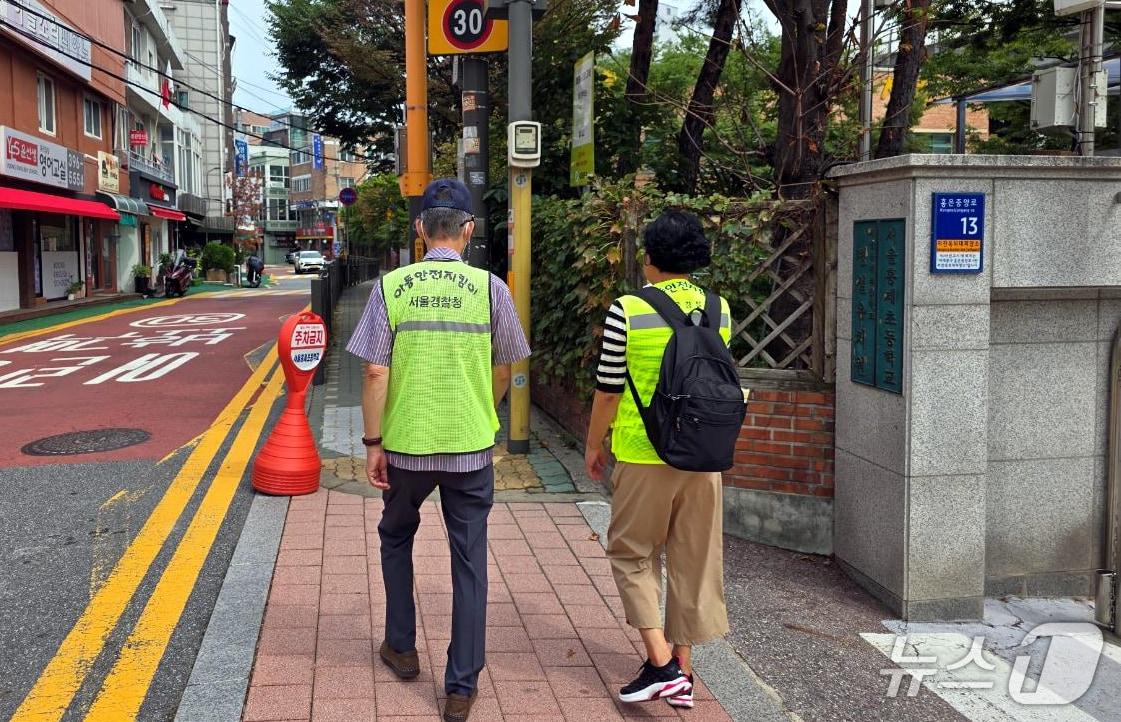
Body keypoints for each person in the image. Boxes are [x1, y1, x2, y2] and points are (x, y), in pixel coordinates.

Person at [346, 178, 530, 722]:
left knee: (396, 534)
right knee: (470, 560)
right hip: (470, 448)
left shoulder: (392, 287)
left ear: (421, 228)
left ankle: (401, 647)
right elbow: (507, 364)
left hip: (406, 446)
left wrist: (374, 443)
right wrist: (483, 408)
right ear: (469, 231)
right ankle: (461, 686)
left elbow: (375, 369)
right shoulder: (492, 289)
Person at [584, 209, 732, 708]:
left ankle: (662, 663)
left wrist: (592, 444)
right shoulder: (720, 309)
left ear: (649, 257)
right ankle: (682, 671)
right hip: (704, 457)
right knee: (693, 560)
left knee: (631, 555)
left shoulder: (628, 309)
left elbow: (607, 391)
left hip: (644, 455)